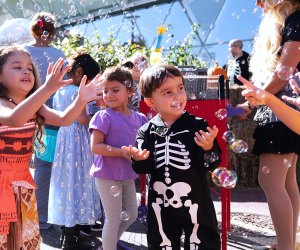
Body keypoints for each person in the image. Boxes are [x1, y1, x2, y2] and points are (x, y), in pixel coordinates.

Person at [0, 46, 101, 250]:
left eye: (29, 67)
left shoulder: (34, 105)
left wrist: (81, 99)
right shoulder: (2, 103)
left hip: (22, 186)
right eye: (17, 67)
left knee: (24, 242)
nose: (26, 71)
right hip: (2, 186)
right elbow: (14, 119)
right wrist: (47, 89)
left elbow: (65, 119)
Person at [122, 65, 222, 250]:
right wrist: (139, 158)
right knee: (161, 243)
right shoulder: (146, 131)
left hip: (197, 203)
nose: (177, 96)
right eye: (167, 92)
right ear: (151, 102)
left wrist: (209, 148)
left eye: (180, 88)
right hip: (161, 206)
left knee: (204, 243)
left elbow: (212, 162)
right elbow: (144, 169)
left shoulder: (198, 125)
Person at [237, 1, 300, 249]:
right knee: (286, 181)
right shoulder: (294, 20)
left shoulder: (296, 20)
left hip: (280, 109)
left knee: (271, 182)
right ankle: (288, 241)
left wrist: (255, 100)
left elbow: (285, 70)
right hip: (286, 108)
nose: (258, 2)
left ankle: (285, 245)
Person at [89, 65, 148, 250]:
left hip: (127, 174)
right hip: (106, 174)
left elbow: (144, 144)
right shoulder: (102, 117)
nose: (109, 95)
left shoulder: (140, 119)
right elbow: (95, 146)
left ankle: (108, 244)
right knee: (113, 217)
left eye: (115, 90)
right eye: (105, 91)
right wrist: (120, 152)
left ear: (130, 91)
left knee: (130, 214)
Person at [47, 53, 101, 249]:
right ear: (79, 73)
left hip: (65, 139)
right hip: (77, 141)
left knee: (66, 181)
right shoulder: (75, 93)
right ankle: (73, 233)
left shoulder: (61, 90)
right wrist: (97, 114)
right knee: (78, 181)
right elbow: (82, 120)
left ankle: (67, 230)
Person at [24, 11, 67, 230]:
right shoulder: (59, 54)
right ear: (52, 32)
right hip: (50, 115)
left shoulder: (23, 52)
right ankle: (43, 215)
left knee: (20, 164)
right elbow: (65, 83)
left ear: (33, 30)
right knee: (44, 165)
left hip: (22, 110)